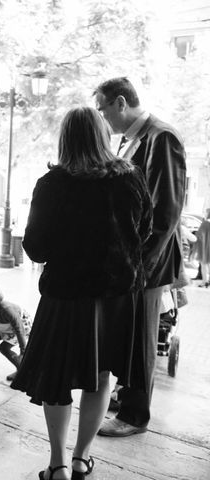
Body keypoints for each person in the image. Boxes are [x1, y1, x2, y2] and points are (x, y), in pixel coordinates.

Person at [11, 106, 153, 480]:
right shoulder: (130, 178)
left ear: (65, 139)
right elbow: (146, 230)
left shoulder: (53, 184)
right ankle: (81, 458)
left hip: (65, 296)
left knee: (57, 380)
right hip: (115, 298)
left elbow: (36, 247)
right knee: (101, 377)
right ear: (103, 135)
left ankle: (57, 464)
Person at [94, 77, 186, 438]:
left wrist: (142, 265)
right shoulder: (131, 139)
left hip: (150, 261)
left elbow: (167, 210)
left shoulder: (162, 137)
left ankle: (134, 416)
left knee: (142, 340)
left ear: (120, 103)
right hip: (130, 259)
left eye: (103, 108)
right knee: (128, 333)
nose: (102, 116)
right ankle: (124, 395)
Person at [193, 209, 210, 287]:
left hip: (205, 247)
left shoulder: (205, 223)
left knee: (204, 265)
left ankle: (204, 282)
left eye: (205, 212)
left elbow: (199, 235)